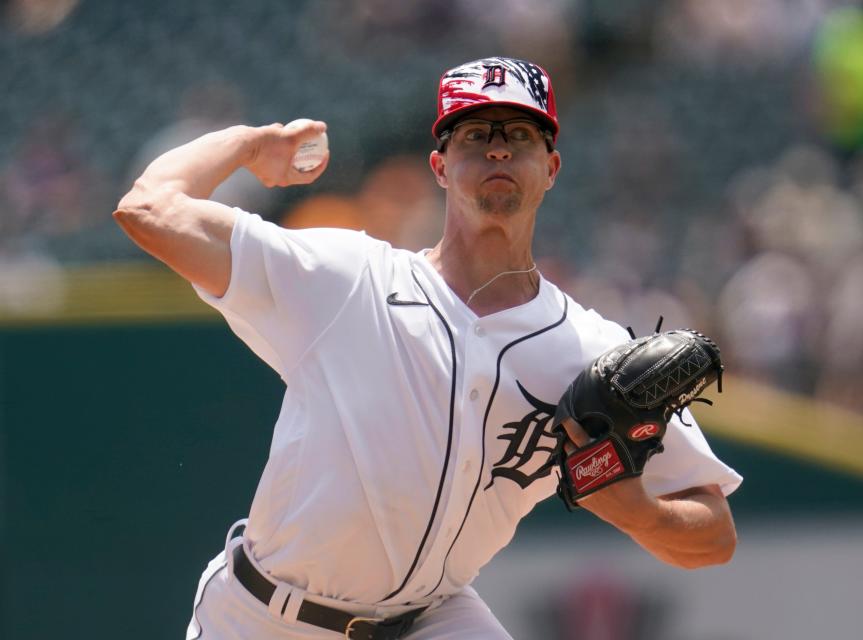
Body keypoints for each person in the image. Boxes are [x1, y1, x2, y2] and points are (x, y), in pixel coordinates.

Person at [114, 57, 742, 640]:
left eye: (521, 134)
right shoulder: (346, 279)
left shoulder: (590, 351)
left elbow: (714, 534)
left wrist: (640, 513)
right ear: (440, 167)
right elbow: (148, 208)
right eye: (474, 134)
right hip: (261, 617)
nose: (498, 145)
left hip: (429, 620)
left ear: (551, 168)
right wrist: (251, 144)